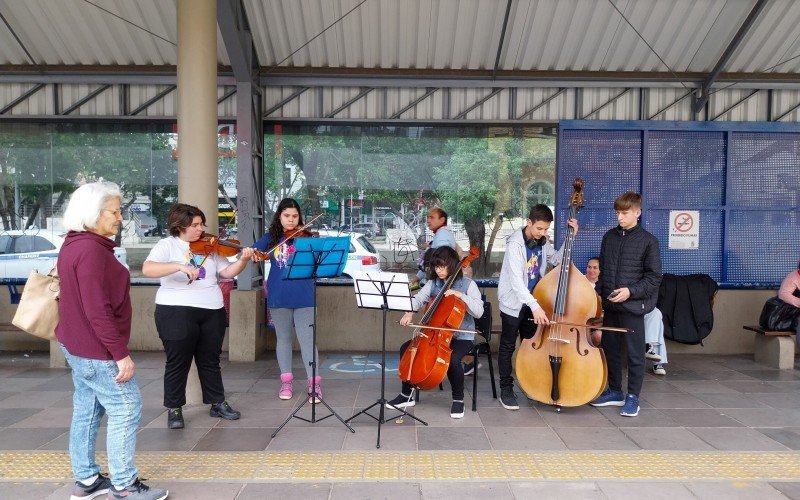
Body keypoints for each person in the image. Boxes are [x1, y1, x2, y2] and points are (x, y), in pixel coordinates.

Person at [57, 182, 168, 500]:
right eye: (115, 211)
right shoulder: (90, 251)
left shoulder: (74, 244)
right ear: (92, 213)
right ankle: (124, 485)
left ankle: (87, 480)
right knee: (126, 407)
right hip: (96, 349)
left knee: (87, 409)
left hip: (77, 343)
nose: (120, 218)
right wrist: (121, 354)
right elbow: (97, 309)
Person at [143, 203, 253, 429]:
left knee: (211, 360)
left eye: (201, 224)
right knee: (177, 361)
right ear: (180, 226)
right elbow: (148, 269)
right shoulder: (167, 245)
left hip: (212, 309)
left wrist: (242, 260)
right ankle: (174, 409)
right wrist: (178, 266)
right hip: (175, 309)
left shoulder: (210, 247)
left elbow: (226, 272)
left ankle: (217, 402)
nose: (201, 229)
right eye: (195, 225)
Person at [496, 204, 578, 411]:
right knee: (507, 347)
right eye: (539, 228)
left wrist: (571, 237)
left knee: (530, 347)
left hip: (534, 302)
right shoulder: (514, 244)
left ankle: (530, 385)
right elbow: (516, 282)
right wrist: (536, 307)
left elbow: (556, 260)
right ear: (529, 222)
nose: (543, 233)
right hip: (514, 303)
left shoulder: (542, 242)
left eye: (546, 229)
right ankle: (506, 389)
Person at [386, 246, 484, 418]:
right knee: (406, 349)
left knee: (453, 359)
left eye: (442, 266)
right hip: (435, 334)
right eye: (436, 267)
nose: (438, 270)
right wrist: (409, 311)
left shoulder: (469, 285)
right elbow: (418, 299)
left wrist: (460, 296)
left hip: (462, 335)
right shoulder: (433, 284)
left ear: (452, 265)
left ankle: (458, 400)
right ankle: (406, 394)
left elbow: (479, 311)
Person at [590, 192, 662, 417]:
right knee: (610, 350)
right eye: (618, 213)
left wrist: (630, 291)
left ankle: (633, 397)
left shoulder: (649, 241)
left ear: (637, 213)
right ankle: (615, 391)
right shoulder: (609, 237)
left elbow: (654, 277)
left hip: (633, 307)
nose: (619, 217)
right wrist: (599, 295)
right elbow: (603, 273)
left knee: (634, 355)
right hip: (611, 307)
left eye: (624, 213)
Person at [253, 198, 321, 402]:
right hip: (279, 295)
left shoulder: (307, 238)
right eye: (287, 216)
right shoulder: (270, 238)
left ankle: (314, 384)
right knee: (283, 339)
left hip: (305, 295)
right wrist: (254, 255)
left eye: (295, 216)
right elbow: (256, 252)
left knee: (308, 341)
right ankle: (286, 382)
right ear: (279, 217)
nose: (291, 221)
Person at [587, 256, 667, 374]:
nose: (591, 270)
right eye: (589, 267)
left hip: (619, 315)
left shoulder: (608, 283)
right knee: (600, 334)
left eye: (595, 268)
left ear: (601, 270)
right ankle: (653, 355)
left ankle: (650, 348)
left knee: (655, 313)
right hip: (599, 321)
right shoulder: (581, 283)